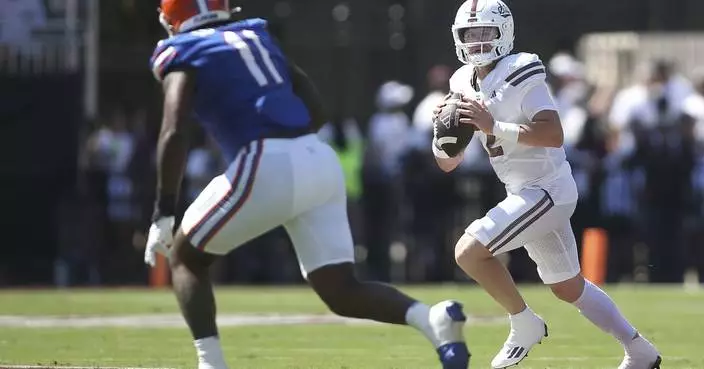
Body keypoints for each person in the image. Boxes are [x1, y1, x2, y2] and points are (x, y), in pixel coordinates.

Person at [143, 1, 469, 368]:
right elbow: (313, 104)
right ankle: (433, 321)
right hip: (317, 158)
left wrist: (163, 211)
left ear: (172, 17)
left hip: (264, 159)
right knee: (341, 289)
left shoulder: (182, 49)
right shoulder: (255, 34)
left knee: (186, 257)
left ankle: (211, 364)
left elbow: (173, 131)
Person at [431, 1, 661, 368]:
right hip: (523, 192)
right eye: (469, 35)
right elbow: (448, 164)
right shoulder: (461, 81)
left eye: (484, 33)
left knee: (468, 252)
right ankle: (640, 350)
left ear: (503, 32)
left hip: (546, 189)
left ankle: (524, 322)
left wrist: (493, 126)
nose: (476, 43)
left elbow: (553, 134)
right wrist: (442, 136)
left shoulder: (520, 69)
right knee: (569, 287)